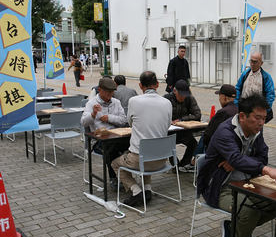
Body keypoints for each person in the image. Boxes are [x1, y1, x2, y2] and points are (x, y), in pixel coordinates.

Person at [197, 95, 276, 237]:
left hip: (248, 182)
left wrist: (238, 161)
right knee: (249, 209)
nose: (261, 123)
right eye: (257, 118)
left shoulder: (256, 131)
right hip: (220, 186)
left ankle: (235, 228)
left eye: (264, 118)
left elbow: (262, 157)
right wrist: (266, 169)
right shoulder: (225, 131)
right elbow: (237, 158)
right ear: (242, 116)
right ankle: (242, 235)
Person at [112, 71, 172, 206]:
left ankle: (136, 191)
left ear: (140, 85)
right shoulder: (167, 102)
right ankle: (147, 189)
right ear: (157, 84)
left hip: (140, 160)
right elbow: (168, 124)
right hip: (162, 159)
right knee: (147, 152)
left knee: (115, 163)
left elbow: (130, 122)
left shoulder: (134, 101)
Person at [81, 77, 128, 189]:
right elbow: (83, 122)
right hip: (99, 140)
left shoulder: (116, 102)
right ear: (100, 90)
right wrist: (93, 114)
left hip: (116, 136)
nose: (110, 94)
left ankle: (127, 175)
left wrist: (109, 118)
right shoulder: (91, 103)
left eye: (112, 92)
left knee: (132, 144)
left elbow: (123, 120)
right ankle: (114, 178)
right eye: (108, 92)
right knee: (111, 149)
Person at [184, 84, 238, 173]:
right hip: (233, 148)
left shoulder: (222, 112)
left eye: (219, 96)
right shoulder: (238, 110)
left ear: (224, 97)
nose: (219, 99)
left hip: (219, 150)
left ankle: (195, 163)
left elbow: (208, 135)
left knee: (204, 137)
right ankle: (194, 162)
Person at [164, 80, 201, 168]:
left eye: (185, 95)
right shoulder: (166, 99)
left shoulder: (189, 98)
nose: (183, 97)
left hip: (183, 131)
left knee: (193, 143)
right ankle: (175, 165)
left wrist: (181, 120)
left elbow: (197, 115)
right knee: (167, 145)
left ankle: (184, 163)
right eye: (181, 95)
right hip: (169, 133)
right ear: (174, 91)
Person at [235, 52, 275, 123]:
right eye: (251, 61)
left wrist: (265, 110)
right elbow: (237, 88)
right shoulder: (245, 74)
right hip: (244, 108)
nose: (252, 64)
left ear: (261, 63)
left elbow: (270, 95)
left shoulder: (266, 77)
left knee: (257, 130)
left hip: (258, 110)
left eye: (255, 62)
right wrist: (236, 104)